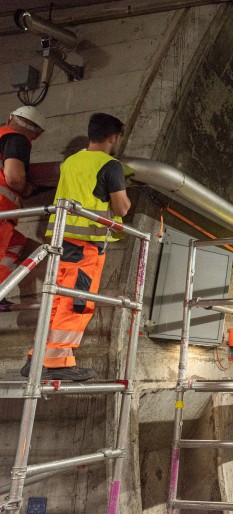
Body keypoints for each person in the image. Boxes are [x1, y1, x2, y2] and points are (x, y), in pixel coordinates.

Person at [21, 113, 131, 381]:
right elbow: (121, 207)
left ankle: (38, 358)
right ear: (113, 137)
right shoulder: (111, 165)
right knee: (76, 303)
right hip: (87, 246)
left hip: (62, 241)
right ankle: (57, 362)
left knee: (58, 300)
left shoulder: (71, 162)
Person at [0, 106, 46, 305]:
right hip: (1, 212)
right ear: (36, 133)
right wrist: (27, 188)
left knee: (17, 245)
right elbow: (14, 178)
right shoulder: (17, 139)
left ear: (11, 117)